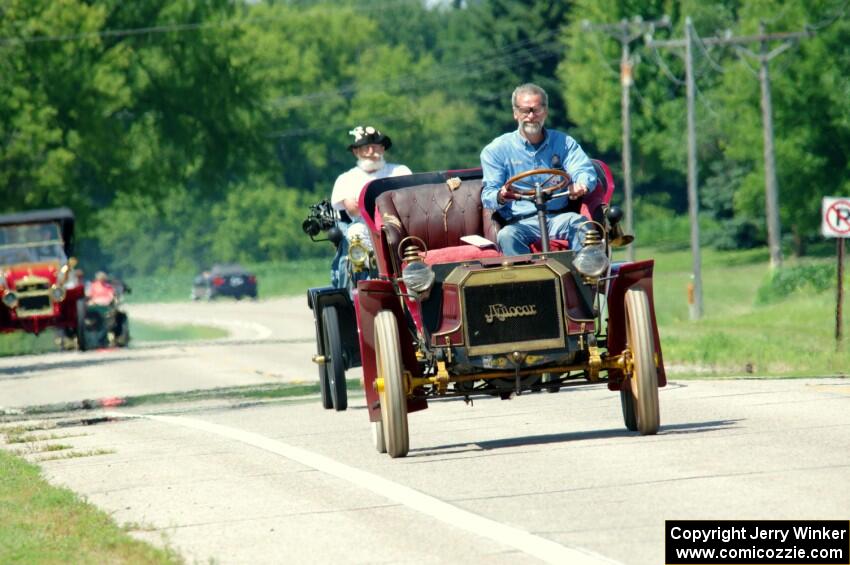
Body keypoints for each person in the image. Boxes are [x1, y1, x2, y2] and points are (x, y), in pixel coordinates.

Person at [480, 83, 598, 255]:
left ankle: (585, 278)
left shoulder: (564, 143)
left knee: (582, 226)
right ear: (515, 113)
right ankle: (525, 281)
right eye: (524, 111)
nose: (531, 116)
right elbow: (488, 195)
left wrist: (581, 184)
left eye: (536, 110)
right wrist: (501, 195)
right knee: (506, 235)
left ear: (546, 112)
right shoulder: (496, 150)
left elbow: (583, 169)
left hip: (559, 217)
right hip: (520, 222)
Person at [329, 126, 411, 289]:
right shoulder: (346, 179)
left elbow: (410, 201)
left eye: (375, 146)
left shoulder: (400, 171)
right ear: (356, 151)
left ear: (382, 148)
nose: (371, 151)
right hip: (365, 226)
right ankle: (370, 276)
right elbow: (352, 209)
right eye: (366, 147)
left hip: (399, 224)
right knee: (355, 234)